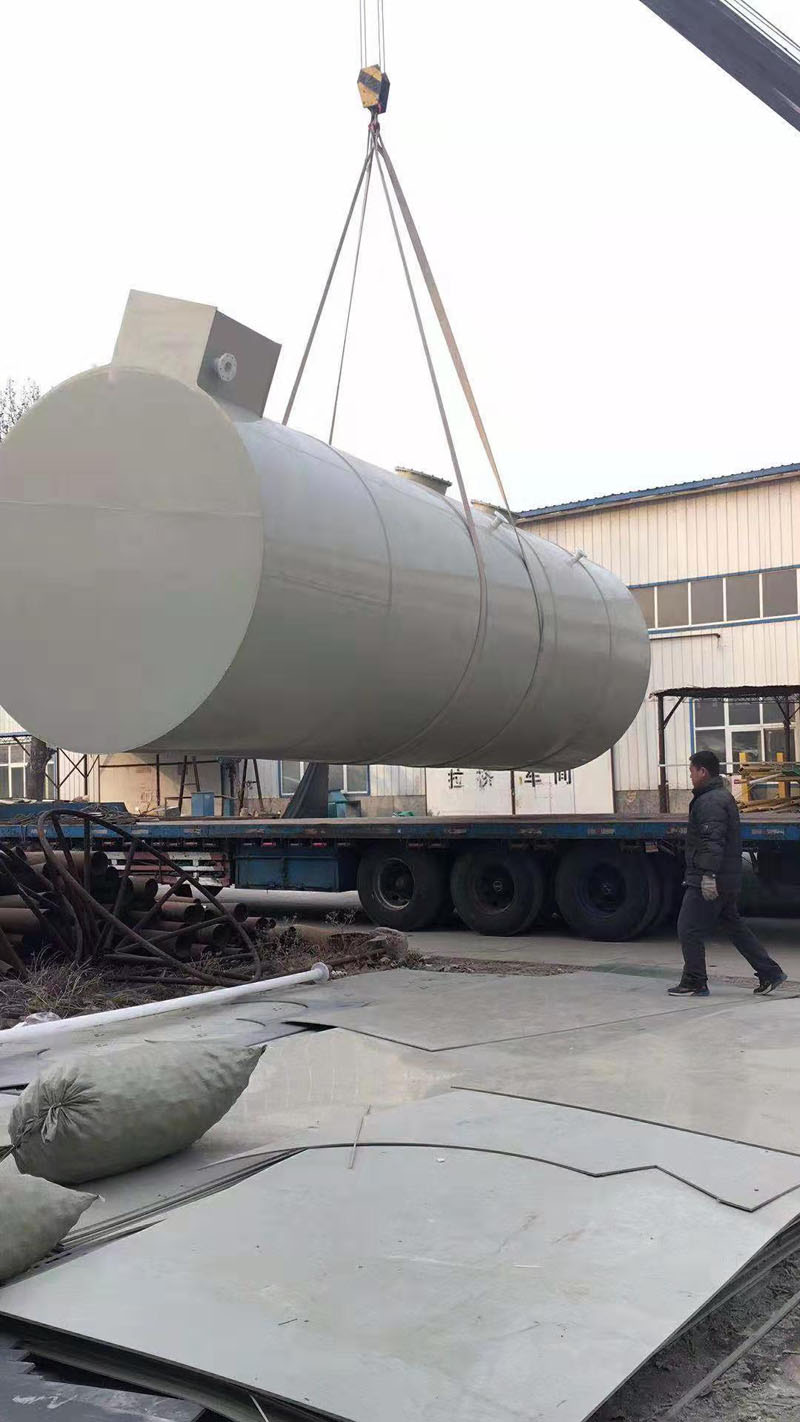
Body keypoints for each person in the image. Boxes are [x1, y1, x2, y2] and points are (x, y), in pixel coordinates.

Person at [668, 748, 787, 997]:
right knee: (734, 926)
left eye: (692, 771)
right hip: (725, 877)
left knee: (688, 927)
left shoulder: (711, 801)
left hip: (713, 878)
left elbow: (712, 841)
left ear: (703, 771)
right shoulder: (717, 796)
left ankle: (695, 980)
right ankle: (770, 972)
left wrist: (708, 876)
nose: (690, 776)